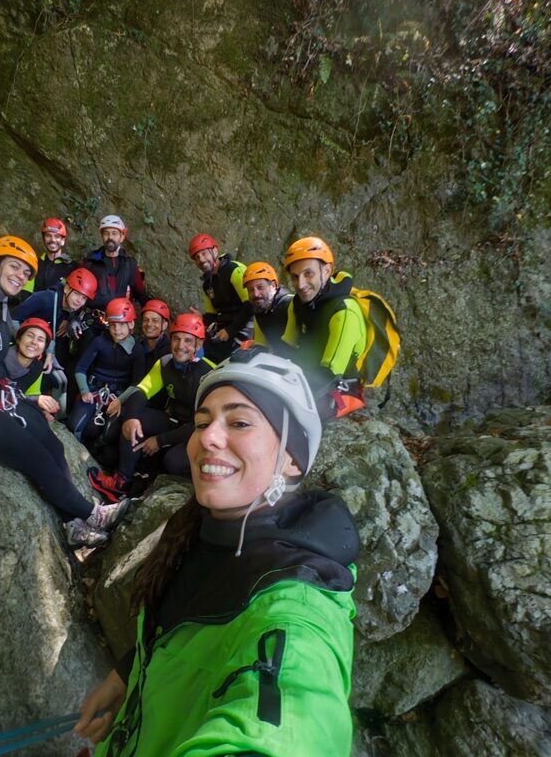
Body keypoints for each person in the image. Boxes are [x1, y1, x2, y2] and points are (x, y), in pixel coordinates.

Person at [75, 350, 360, 756]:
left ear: (292, 459)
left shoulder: (298, 606)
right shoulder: (197, 532)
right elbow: (178, 636)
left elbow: (289, 721)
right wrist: (125, 679)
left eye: (239, 422)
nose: (207, 436)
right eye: (203, 422)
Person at [0, 235, 128, 549]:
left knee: (52, 444)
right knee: (36, 457)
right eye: (15, 267)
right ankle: (93, 515)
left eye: (26, 273)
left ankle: (73, 524)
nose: (21, 276)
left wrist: (28, 387)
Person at [88, 314, 213, 501]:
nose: (180, 346)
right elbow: (141, 391)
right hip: (174, 421)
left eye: (188, 341)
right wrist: (131, 418)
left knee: (173, 461)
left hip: (198, 432)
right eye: (176, 339)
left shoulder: (209, 375)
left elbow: (203, 424)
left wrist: (160, 440)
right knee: (133, 419)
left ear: (199, 344)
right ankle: (122, 482)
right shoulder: (165, 364)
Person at [283, 236, 366, 401]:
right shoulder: (297, 303)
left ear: (327, 271)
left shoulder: (344, 312)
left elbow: (329, 374)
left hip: (339, 390)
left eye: (308, 274)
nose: (300, 285)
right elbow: (286, 346)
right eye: (294, 276)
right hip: (305, 375)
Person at [67, 297, 146, 443]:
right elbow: (80, 368)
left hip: (119, 395)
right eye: (113, 325)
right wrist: (85, 391)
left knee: (109, 434)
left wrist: (120, 401)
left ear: (131, 324)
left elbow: (137, 382)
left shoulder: (137, 350)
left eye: (122, 325)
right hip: (94, 390)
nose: (117, 330)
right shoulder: (99, 342)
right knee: (74, 425)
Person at [187, 232, 252, 363]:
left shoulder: (234, 270)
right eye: (197, 257)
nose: (201, 260)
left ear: (215, 251)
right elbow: (212, 315)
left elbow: (250, 305)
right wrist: (201, 319)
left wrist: (229, 331)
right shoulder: (207, 285)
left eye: (204, 253)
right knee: (200, 351)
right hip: (226, 329)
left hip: (246, 326)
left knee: (227, 359)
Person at [83, 215, 147, 311]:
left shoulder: (130, 265)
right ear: (102, 236)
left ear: (122, 237)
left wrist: (153, 313)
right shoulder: (91, 261)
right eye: (106, 233)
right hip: (93, 319)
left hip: (121, 321)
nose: (110, 237)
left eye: (114, 233)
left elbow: (141, 294)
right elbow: (78, 291)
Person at [4, 318, 62, 421]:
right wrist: (36, 400)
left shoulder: (37, 368)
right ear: (18, 339)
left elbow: (31, 394)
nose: (34, 342)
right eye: (30, 336)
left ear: (44, 348)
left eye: (40, 340)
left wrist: (41, 410)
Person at [242, 261, 298, 356]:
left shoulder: (290, 303)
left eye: (260, 287)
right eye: (251, 290)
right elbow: (261, 345)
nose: (255, 294)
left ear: (273, 286)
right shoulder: (259, 311)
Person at [33, 217, 77, 292]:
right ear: (43, 239)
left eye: (57, 236)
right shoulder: (35, 263)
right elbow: (26, 294)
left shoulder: (72, 267)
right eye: (48, 236)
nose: (52, 240)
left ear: (63, 241)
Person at [137, 298, 171, 369]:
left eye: (155, 321)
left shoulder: (170, 352)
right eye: (146, 320)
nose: (149, 324)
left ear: (164, 325)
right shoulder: (137, 349)